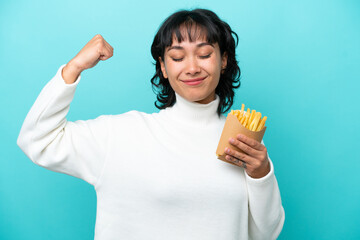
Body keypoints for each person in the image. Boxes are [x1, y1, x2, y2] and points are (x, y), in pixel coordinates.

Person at [17, 8, 285, 240]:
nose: (192, 68)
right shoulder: (123, 135)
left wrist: (261, 173)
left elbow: (264, 234)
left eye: (204, 54)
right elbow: (37, 140)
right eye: (178, 58)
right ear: (164, 68)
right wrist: (73, 68)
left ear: (224, 60)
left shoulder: (240, 140)